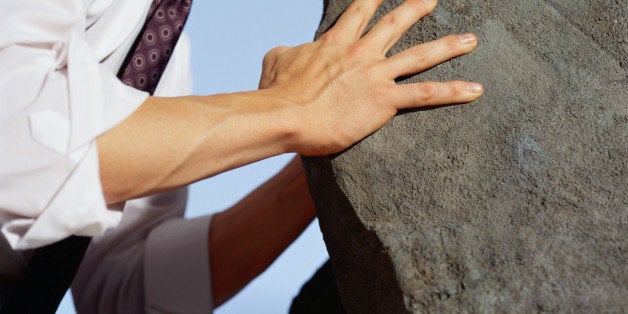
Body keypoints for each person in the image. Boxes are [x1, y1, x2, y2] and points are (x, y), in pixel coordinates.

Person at [0, 0, 483, 312]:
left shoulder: (165, 50)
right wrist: (289, 109)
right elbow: (18, 144)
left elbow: (122, 288)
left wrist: (328, 161)